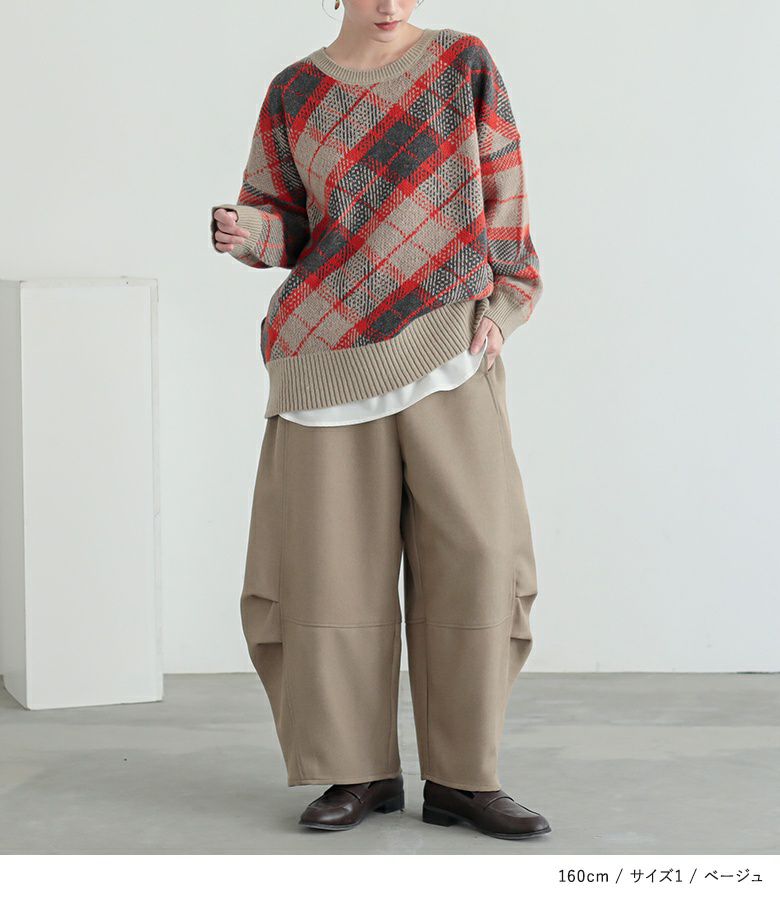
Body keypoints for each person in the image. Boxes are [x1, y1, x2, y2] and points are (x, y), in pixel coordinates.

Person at [211, 0, 551, 841]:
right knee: (329, 573)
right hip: (325, 355)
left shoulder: (462, 65)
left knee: (481, 555)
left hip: (447, 343)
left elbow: (505, 193)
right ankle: (356, 771)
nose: (391, 4)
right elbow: (284, 219)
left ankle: (464, 778)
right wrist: (246, 232)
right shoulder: (295, 91)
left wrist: (506, 305)